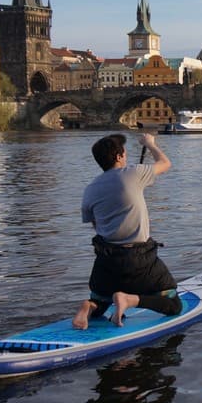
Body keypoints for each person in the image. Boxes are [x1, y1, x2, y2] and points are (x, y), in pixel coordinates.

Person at [72, 132, 182, 329]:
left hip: (105, 262)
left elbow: (96, 225)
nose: (126, 156)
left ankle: (89, 307)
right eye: (124, 153)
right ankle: (129, 300)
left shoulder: (90, 189)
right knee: (173, 304)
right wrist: (150, 144)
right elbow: (165, 163)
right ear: (118, 156)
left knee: (101, 302)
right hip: (139, 260)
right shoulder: (132, 173)